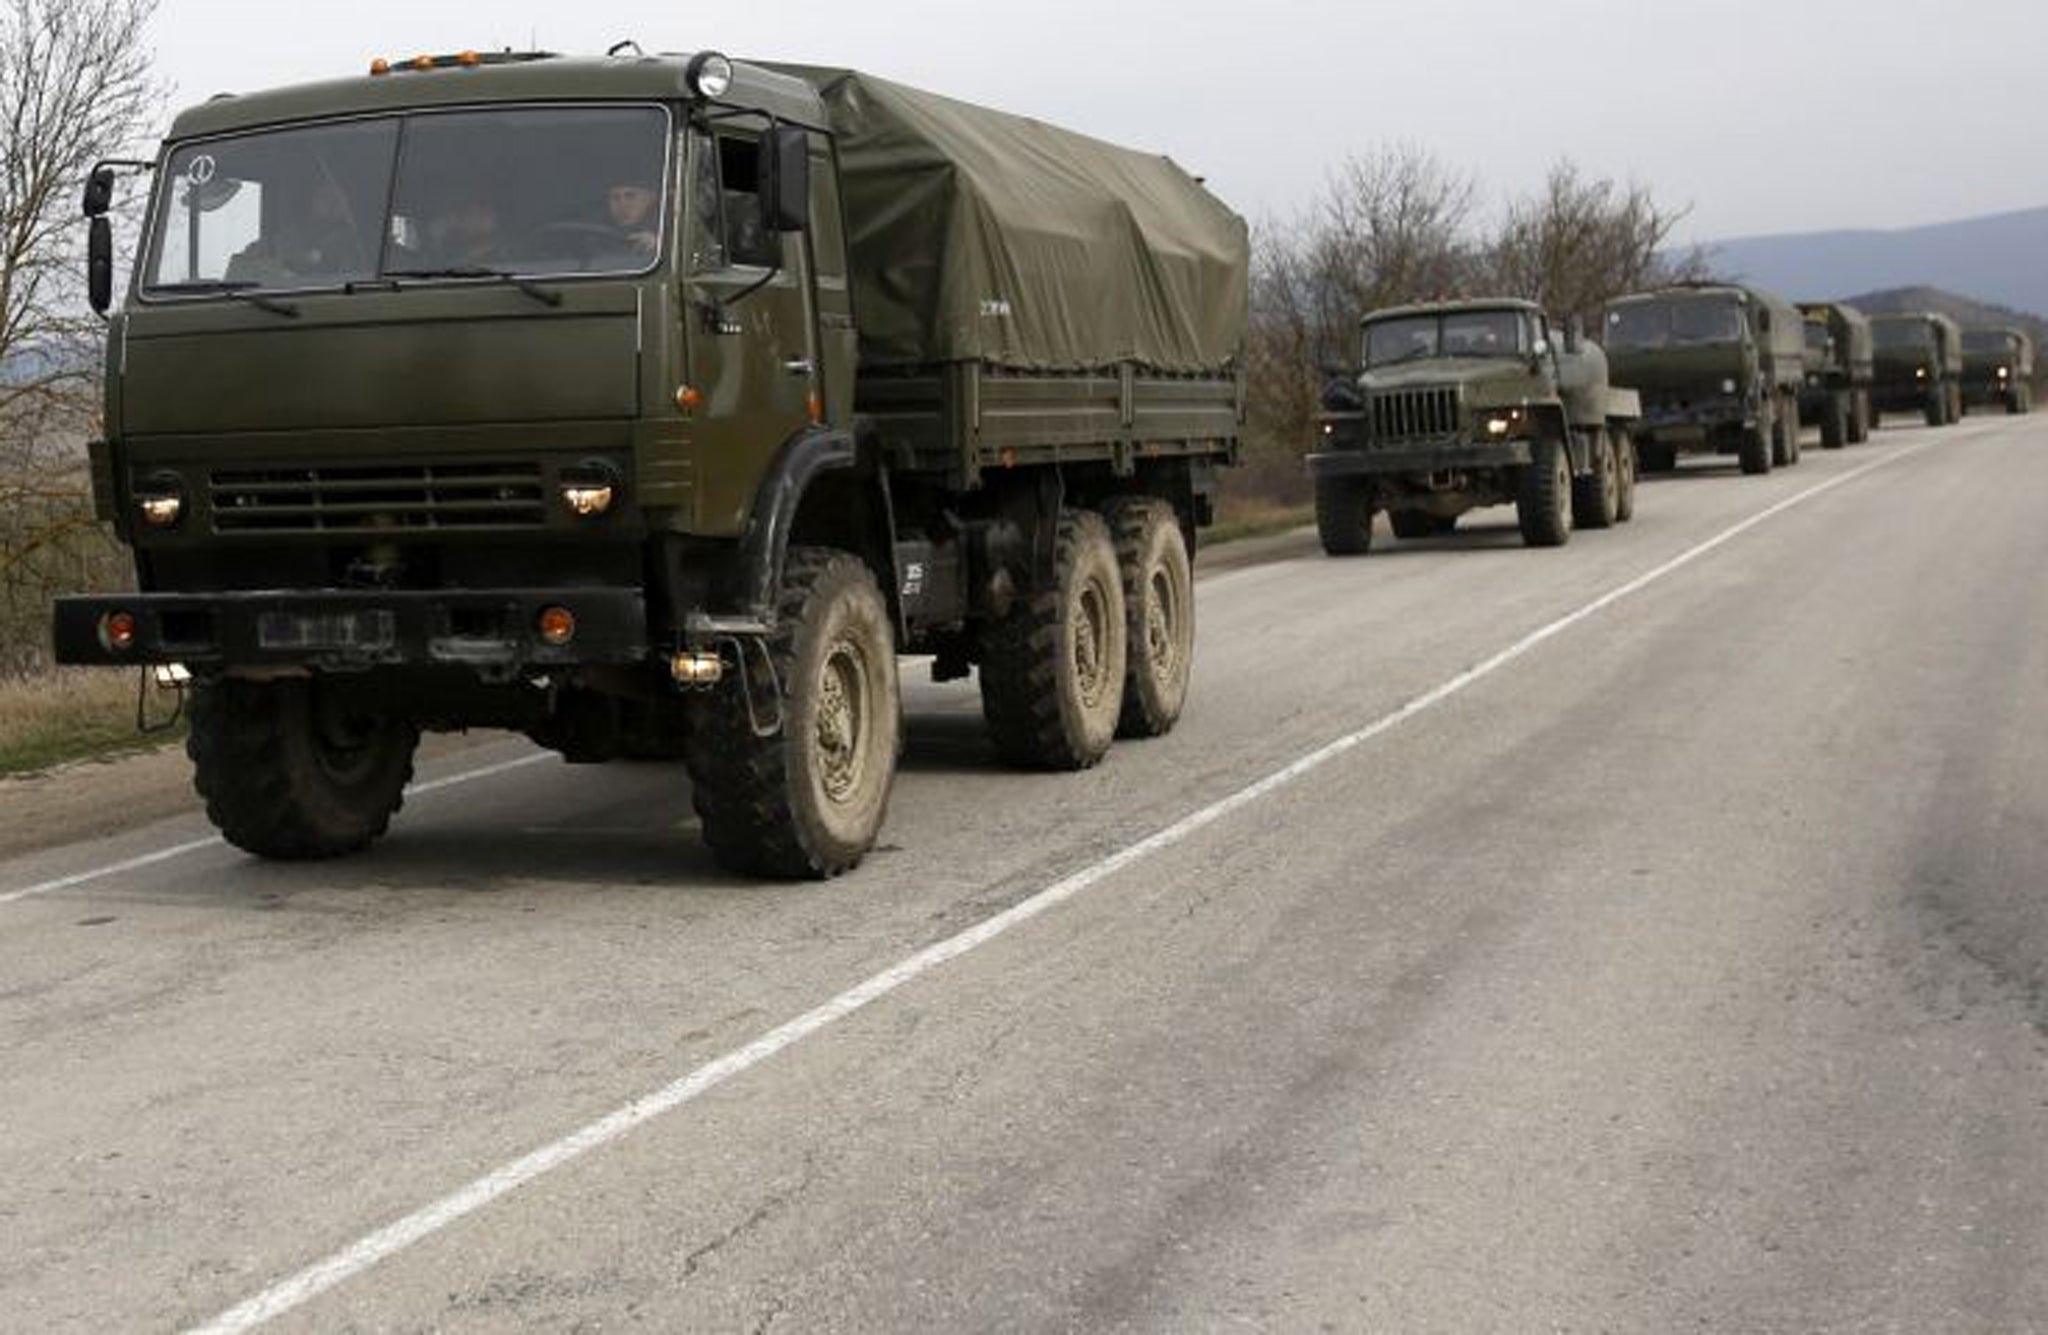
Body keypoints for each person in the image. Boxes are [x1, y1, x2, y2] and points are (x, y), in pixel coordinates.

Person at [603, 175, 660, 256]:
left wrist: (658, 246)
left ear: (651, 198)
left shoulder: (667, 231)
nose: (622, 204)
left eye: (630, 196)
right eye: (615, 198)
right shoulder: (594, 235)